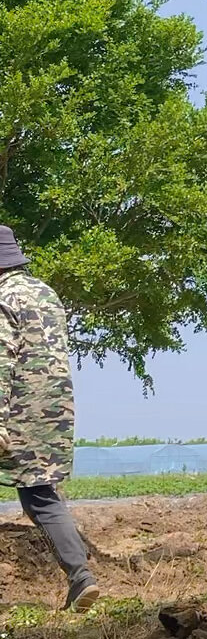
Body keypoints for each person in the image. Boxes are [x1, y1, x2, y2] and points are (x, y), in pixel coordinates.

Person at [0, 226, 100, 611]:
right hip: (54, 413)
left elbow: (2, 358)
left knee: (37, 497)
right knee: (42, 497)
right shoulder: (45, 293)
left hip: (15, 412)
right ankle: (81, 578)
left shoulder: (2, 298)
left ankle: (81, 579)